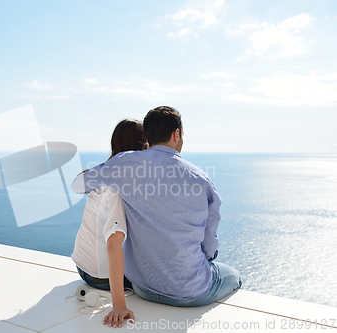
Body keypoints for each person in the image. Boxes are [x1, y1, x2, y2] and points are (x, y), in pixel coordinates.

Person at [71, 106, 241, 316]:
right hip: (192, 291)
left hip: (144, 288)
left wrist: (108, 169)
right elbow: (209, 242)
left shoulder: (125, 164)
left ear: (148, 136)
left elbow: (78, 185)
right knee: (234, 276)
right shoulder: (201, 179)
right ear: (176, 134)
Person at [71, 119, 147, 328]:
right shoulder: (118, 186)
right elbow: (113, 243)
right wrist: (119, 305)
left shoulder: (103, 175)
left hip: (83, 267)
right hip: (99, 277)